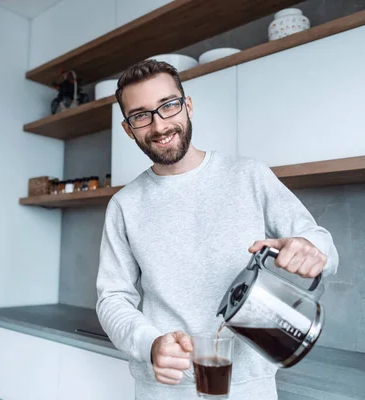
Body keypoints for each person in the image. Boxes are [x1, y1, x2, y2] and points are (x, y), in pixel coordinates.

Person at [95, 59, 339, 400]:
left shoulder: (249, 175)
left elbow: (322, 243)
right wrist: (149, 344)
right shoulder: (124, 205)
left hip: (248, 387)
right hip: (164, 389)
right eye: (141, 115)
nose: (160, 125)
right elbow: (113, 298)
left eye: (168, 105)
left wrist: (308, 248)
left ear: (188, 105)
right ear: (128, 128)